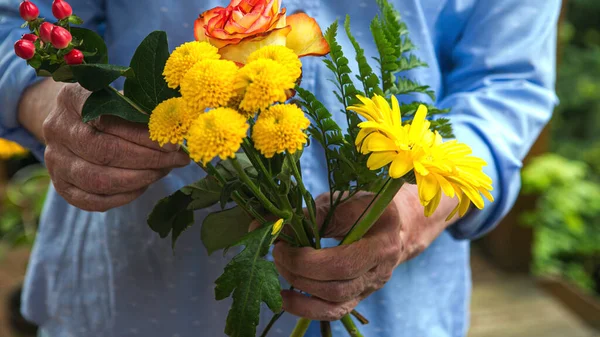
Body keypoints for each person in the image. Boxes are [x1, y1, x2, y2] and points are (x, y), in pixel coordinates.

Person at [0, 0, 561, 336]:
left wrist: (421, 202)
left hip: (401, 305)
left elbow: (509, 82)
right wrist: (50, 103)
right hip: (136, 292)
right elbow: (13, 22)